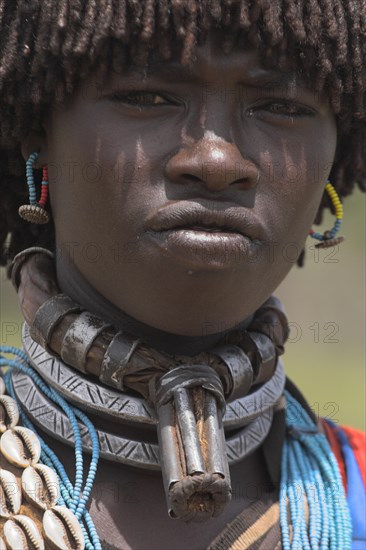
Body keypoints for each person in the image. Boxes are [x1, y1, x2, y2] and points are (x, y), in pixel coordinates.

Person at [0, 1, 365, 549]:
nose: (216, 161)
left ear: (332, 165)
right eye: (146, 97)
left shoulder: (354, 491)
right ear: (38, 136)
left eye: (281, 106)